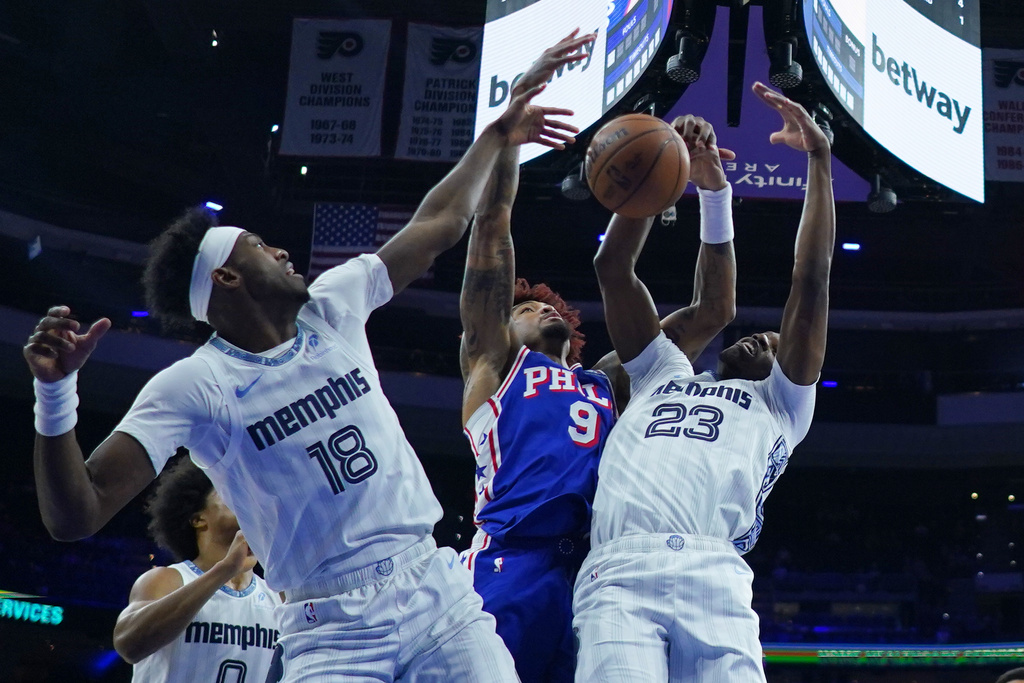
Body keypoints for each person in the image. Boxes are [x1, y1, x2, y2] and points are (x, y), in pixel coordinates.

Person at [23, 40, 580, 681]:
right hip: (332, 631)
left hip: (433, 591)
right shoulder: (195, 384)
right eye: (261, 246)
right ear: (228, 279)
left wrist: (497, 131)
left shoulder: (331, 304)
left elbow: (442, 221)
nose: (284, 252)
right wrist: (57, 396)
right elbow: (77, 514)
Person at [458, 34, 738, 682]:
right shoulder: (494, 367)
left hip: (591, 578)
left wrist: (688, 189)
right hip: (510, 567)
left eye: (549, 306)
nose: (543, 309)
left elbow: (708, 314)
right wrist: (509, 133)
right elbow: (492, 235)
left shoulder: (603, 382)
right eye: (527, 308)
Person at [572, 81, 835, 683]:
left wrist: (819, 161)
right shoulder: (663, 371)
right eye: (761, 335)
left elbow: (811, 280)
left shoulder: (781, 406)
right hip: (618, 571)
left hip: (713, 573)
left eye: (774, 345)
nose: (761, 339)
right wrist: (686, 178)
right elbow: (613, 269)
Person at [114, 456, 281, 682]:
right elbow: (129, 645)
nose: (246, 501)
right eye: (231, 494)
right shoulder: (167, 579)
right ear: (198, 519)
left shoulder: (278, 597)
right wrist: (224, 570)